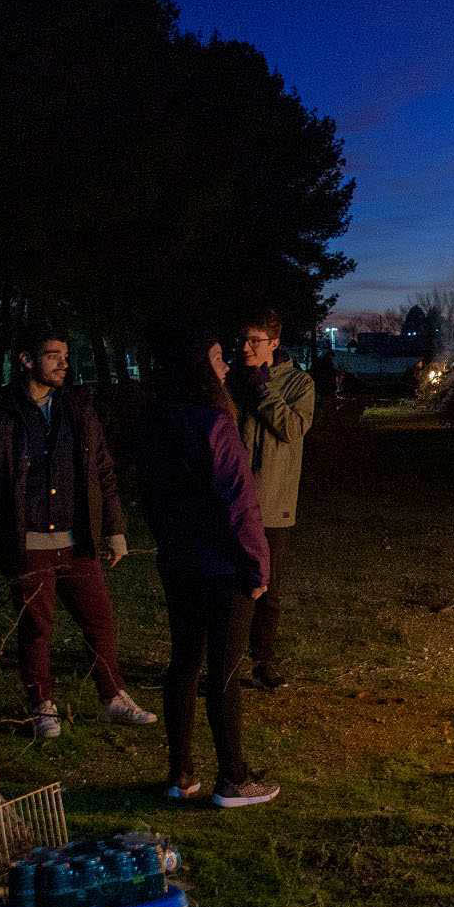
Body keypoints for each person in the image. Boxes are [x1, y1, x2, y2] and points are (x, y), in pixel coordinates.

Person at [0, 323, 154, 738]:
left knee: (100, 621)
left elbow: (102, 472)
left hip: (78, 541)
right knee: (37, 627)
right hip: (30, 541)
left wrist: (114, 529)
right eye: (53, 355)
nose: (63, 363)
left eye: (65, 355)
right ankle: (42, 706)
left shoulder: (77, 406)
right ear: (26, 360)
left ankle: (113, 697)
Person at [140, 328, 279, 809]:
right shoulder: (215, 423)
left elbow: (151, 499)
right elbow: (239, 502)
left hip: (179, 562)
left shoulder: (158, 422)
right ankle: (233, 778)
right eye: (218, 358)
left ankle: (181, 774)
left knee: (184, 663)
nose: (226, 366)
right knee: (223, 671)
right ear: (200, 368)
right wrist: (258, 565)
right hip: (221, 567)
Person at [232, 310, 315, 690]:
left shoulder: (298, 382)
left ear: (274, 343)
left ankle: (263, 662)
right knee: (232, 586)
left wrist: (261, 389)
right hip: (233, 501)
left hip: (274, 501)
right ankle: (228, 661)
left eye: (255, 340)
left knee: (270, 590)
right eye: (243, 340)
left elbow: (292, 428)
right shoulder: (231, 380)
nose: (247, 347)